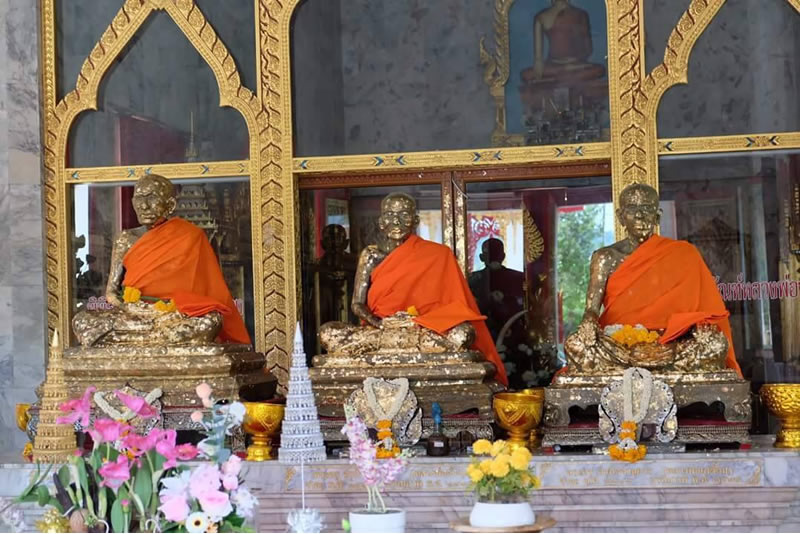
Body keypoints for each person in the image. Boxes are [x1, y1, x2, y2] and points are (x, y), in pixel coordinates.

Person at [319, 193, 507, 385]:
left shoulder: (438, 254)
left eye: (404, 215)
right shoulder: (371, 255)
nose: (397, 221)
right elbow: (357, 304)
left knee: (464, 334)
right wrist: (380, 323)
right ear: (381, 222)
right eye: (390, 215)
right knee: (327, 332)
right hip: (380, 332)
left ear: (415, 221)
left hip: (422, 331)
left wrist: (417, 323)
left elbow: (454, 305)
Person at [565, 183, 741, 375]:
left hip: (671, 342)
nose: (639, 215)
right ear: (621, 216)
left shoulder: (683, 253)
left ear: (657, 216)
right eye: (632, 208)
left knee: (716, 343)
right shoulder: (605, 257)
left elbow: (702, 308)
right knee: (575, 344)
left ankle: (648, 366)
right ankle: (660, 368)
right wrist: (589, 322)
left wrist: (702, 328)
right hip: (619, 343)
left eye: (646, 208)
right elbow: (591, 309)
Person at [73, 174, 250, 347]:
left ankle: (135, 340)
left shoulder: (191, 236)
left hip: (173, 314)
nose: (144, 205)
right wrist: (133, 308)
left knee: (211, 322)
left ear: (170, 205)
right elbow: (111, 293)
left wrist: (163, 312)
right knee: (82, 321)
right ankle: (160, 339)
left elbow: (207, 290)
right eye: (139, 198)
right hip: (134, 313)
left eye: (152, 198)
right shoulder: (125, 239)